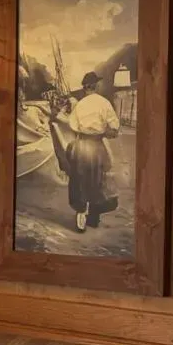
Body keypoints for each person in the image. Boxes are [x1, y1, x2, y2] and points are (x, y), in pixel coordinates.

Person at [61, 71, 120, 231]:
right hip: (97, 145)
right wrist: (104, 132)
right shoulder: (104, 103)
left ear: (85, 88)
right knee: (98, 179)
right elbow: (114, 128)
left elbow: (72, 125)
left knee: (80, 180)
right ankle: (94, 217)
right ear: (96, 85)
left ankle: (81, 215)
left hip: (81, 145)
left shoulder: (80, 104)